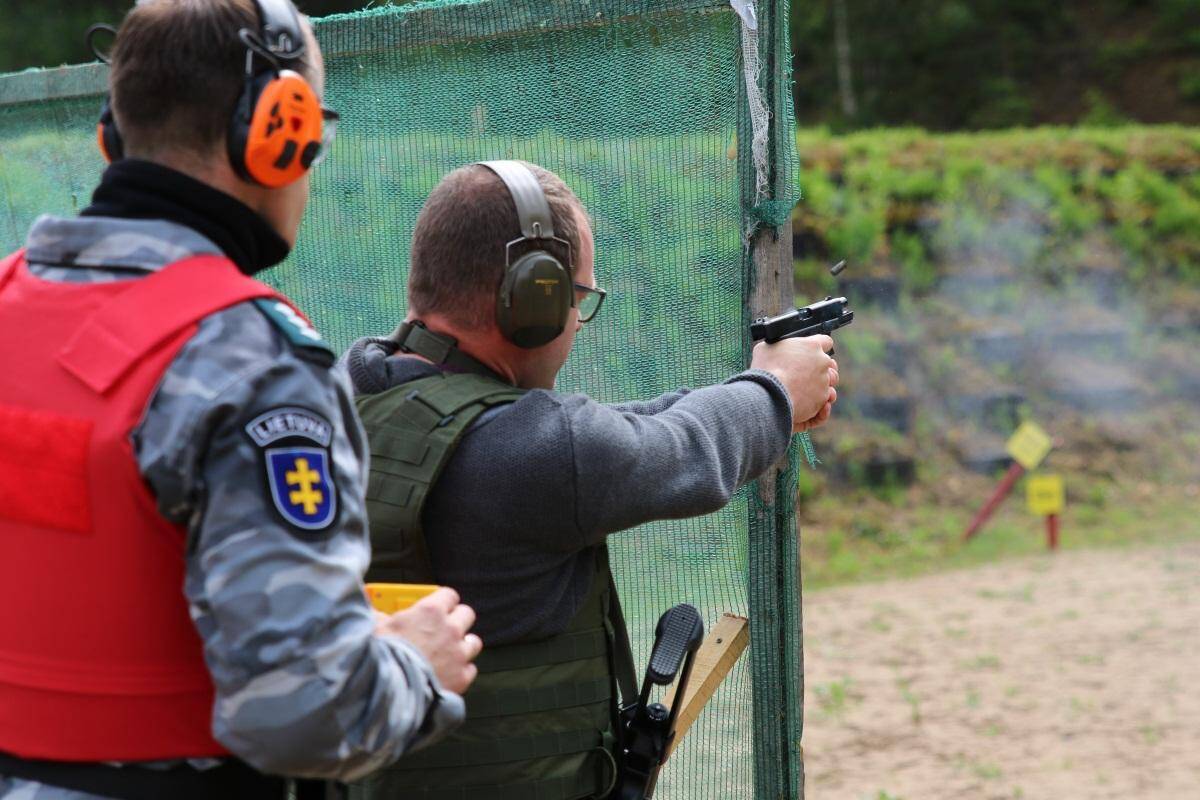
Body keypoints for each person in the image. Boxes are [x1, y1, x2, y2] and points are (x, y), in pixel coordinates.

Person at [0, 2, 481, 798]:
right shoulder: (254, 363)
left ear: (114, 133)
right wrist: (413, 666)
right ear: (277, 130)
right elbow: (304, 713)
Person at [341, 160, 838, 799]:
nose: (578, 320)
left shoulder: (338, 403)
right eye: (577, 299)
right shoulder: (540, 453)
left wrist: (755, 388)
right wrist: (776, 392)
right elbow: (682, 450)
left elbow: (614, 431)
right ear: (534, 299)